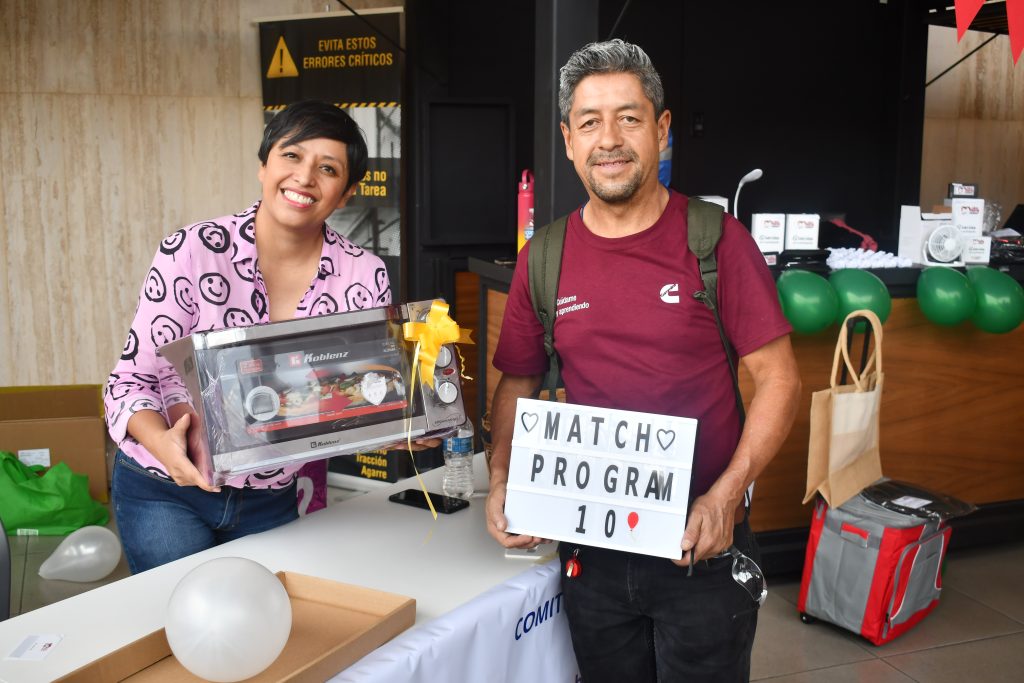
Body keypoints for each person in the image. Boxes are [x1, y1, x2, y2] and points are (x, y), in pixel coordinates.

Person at [485, 40, 801, 682]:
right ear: (569, 140)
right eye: (590, 122)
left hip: (701, 550)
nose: (610, 139)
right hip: (590, 551)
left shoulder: (716, 242)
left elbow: (780, 380)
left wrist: (725, 496)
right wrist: (501, 479)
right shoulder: (544, 257)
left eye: (629, 118)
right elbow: (516, 380)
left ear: (661, 130)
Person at [105, 100, 434, 574]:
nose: (305, 178)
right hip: (165, 490)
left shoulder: (362, 275)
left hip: (272, 495)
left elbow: (350, 402)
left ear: (346, 194)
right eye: (291, 156)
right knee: (182, 630)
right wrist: (164, 446)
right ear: (264, 166)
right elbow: (129, 383)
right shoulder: (192, 251)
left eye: (328, 168)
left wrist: (400, 429)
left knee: (273, 632)